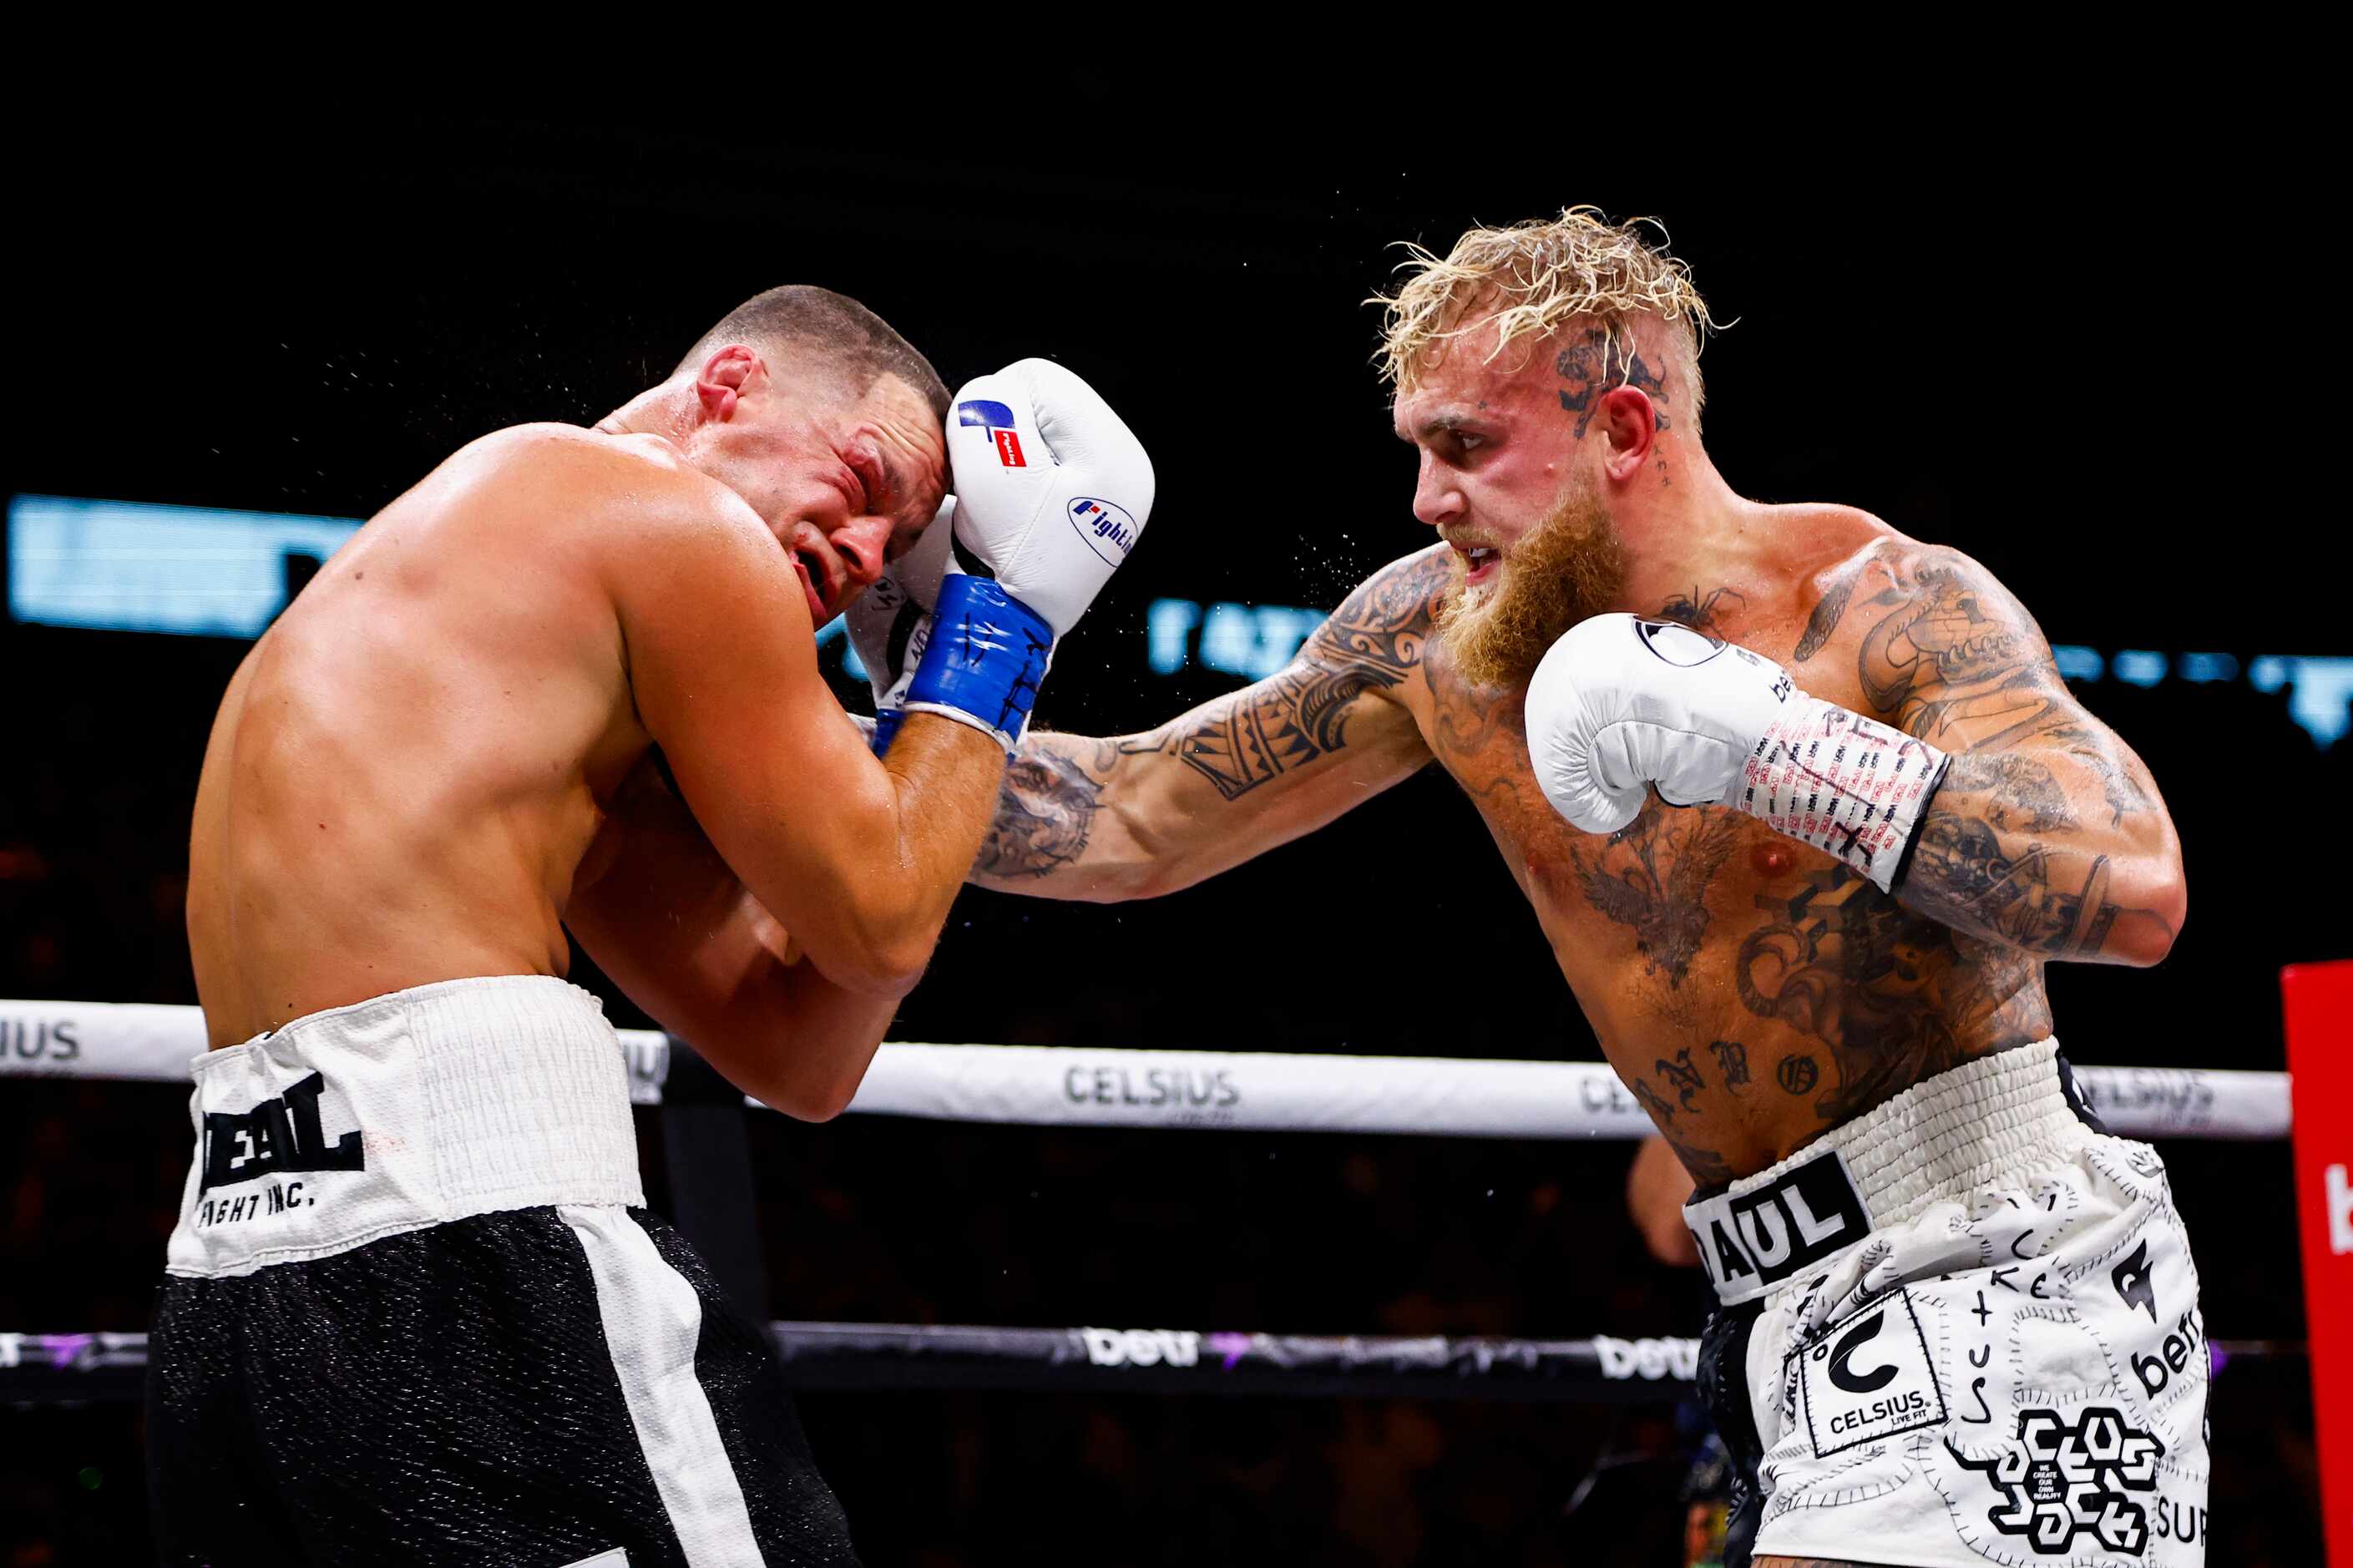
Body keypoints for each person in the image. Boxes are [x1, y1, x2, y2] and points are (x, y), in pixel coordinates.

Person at [936, 210, 2204, 1566]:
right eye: (1418, 451)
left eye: (1467, 448)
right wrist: (891, 698)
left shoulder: (1879, 607)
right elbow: (1134, 815)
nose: (1427, 497)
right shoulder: (1435, 635)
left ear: (1621, 430)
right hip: (1765, 1310)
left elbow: (2133, 887)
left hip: (2005, 1261)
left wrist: (1779, 749)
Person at [154, 285, 1154, 1565]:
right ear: (728, 386)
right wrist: (995, 638)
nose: (860, 548)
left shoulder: (494, 634)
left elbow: (806, 1054)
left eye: (894, 539)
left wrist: (918, 712)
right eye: (860, 476)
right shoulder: (666, 513)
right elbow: (886, 920)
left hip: (238, 1312)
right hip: (475, 1268)